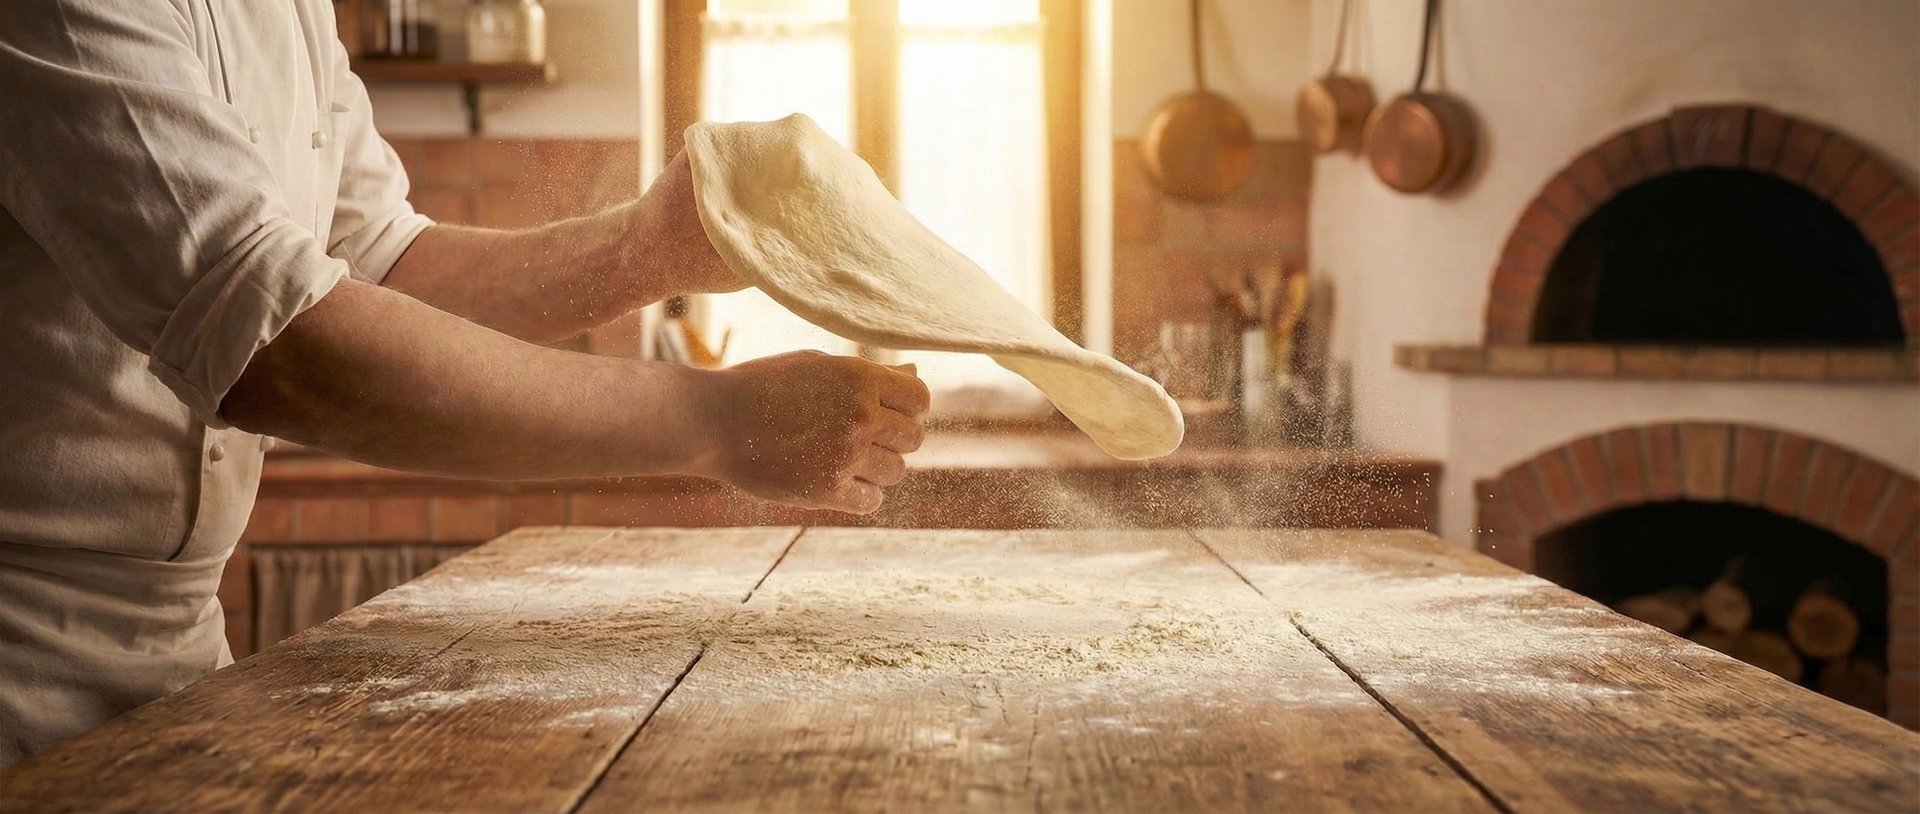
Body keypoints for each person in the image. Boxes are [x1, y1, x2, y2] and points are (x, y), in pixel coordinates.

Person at [0, 1, 929, 767]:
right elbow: (283, 347)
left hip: (175, 655)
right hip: (19, 660)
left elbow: (375, 266)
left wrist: (648, 247)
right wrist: (718, 422)